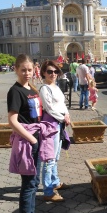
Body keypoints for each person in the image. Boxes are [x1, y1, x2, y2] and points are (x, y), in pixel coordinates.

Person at [7, 54, 53, 213]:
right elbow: (12, 120)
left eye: (30, 69)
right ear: (16, 70)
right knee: (28, 184)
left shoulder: (31, 88)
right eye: (23, 70)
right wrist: (32, 139)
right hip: (28, 142)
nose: (27, 73)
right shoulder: (15, 91)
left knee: (34, 182)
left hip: (36, 138)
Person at [39, 60, 71, 202]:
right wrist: (63, 118)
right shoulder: (45, 89)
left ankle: (55, 182)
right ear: (44, 73)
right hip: (51, 124)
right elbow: (49, 108)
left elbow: (62, 104)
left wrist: (67, 114)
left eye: (55, 71)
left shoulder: (56, 87)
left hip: (58, 124)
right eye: (50, 71)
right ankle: (48, 191)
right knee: (49, 158)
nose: (53, 74)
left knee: (56, 156)